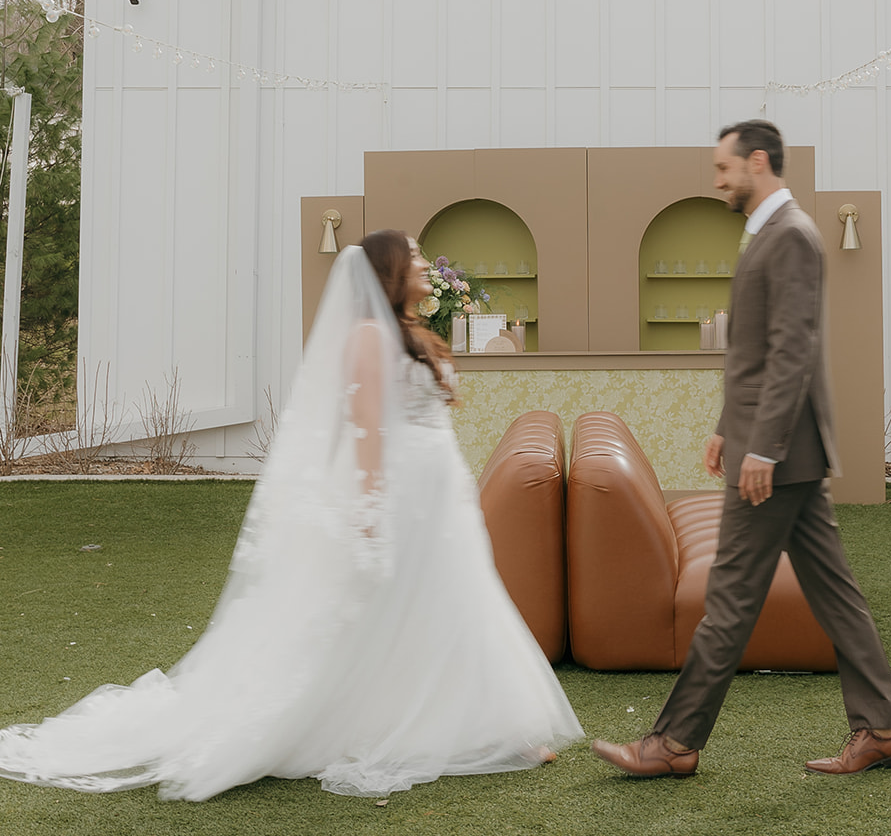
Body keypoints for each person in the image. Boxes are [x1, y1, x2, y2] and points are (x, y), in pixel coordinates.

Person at [0, 232, 582, 801]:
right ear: (389, 273)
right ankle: (379, 724)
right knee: (401, 609)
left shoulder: (413, 334)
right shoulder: (365, 336)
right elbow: (366, 429)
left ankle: (492, 729)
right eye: (415, 258)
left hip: (440, 497)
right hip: (401, 494)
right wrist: (373, 508)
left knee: (456, 601)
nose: (427, 265)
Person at [592, 120, 891, 779]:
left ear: (756, 162)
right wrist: (724, 428)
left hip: (777, 457)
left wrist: (759, 448)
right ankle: (881, 728)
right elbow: (756, 351)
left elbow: (793, 352)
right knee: (835, 596)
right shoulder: (769, 232)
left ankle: (673, 743)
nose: (716, 181)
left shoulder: (789, 234)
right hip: (780, 451)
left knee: (731, 597)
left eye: (723, 168)